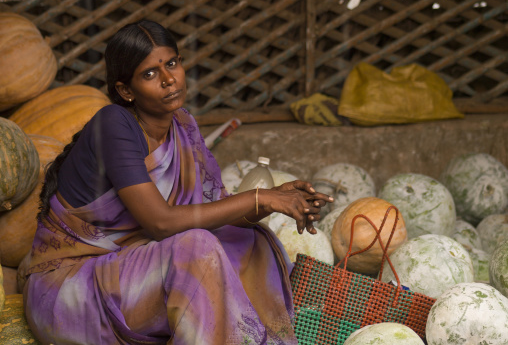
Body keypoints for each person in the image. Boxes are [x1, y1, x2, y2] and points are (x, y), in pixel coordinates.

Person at [23, 20, 333, 345]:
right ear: (126, 91)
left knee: (250, 239)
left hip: (135, 267)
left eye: (172, 64)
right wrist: (259, 198)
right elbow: (160, 223)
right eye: (150, 74)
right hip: (72, 289)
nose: (169, 79)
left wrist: (274, 200)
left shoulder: (183, 126)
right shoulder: (114, 124)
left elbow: (215, 212)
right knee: (196, 249)